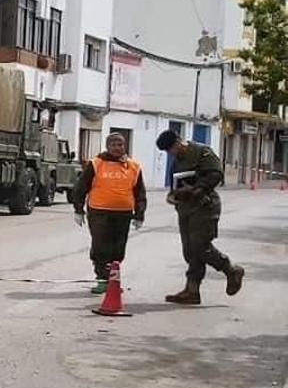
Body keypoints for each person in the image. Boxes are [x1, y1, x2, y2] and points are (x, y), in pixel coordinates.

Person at [156, 130, 244, 304]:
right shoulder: (177, 161)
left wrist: (196, 189)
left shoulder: (201, 151)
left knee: (200, 246)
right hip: (185, 209)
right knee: (190, 250)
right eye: (168, 151)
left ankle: (231, 270)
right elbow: (176, 185)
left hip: (205, 206)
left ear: (179, 140)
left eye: (173, 147)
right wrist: (172, 196)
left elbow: (216, 174)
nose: (172, 152)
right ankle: (192, 290)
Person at [71, 133, 147, 294]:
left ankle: (113, 281)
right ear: (107, 146)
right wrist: (78, 209)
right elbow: (81, 187)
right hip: (99, 213)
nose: (117, 148)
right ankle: (102, 280)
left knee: (118, 249)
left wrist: (139, 214)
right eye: (113, 145)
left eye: (120, 145)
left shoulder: (134, 166)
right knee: (100, 246)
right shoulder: (96, 164)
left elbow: (140, 192)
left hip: (123, 214)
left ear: (125, 146)